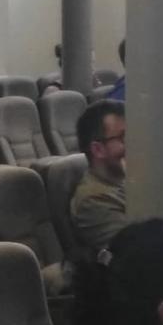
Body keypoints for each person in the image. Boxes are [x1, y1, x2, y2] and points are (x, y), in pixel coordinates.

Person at [67, 100, 129, 257]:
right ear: (98, 149)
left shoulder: (126, 181)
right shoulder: (93, 201)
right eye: (124, 138)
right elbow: (140, 253)